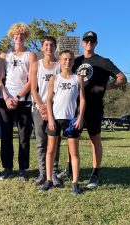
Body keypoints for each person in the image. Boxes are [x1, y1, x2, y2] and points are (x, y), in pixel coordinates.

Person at [59, 31, 127, 190]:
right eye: (86, 40)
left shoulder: (103, 61)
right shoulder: (75, 61)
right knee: (72, 139)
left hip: (94, 107)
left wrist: (104, 87)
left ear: (95, 43)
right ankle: (69, 170)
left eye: (92, 41)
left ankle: (95, 173)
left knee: (94, 139)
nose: (89, 43)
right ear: (82, 43)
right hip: (75, 107)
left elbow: (121, 78)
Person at [40, 50, 85, 195]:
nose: (67, 62)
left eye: (70, 59)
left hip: (71, 119)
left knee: (74, 152)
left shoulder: (78, 78)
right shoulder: (55, 78)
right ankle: (49, 180)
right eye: (64, 59)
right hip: (56, 118)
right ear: (60, 61)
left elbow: (82, 100)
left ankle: (75, 183)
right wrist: (51, 118)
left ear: (73, 62)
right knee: (50, 150)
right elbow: (48, 100)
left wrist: (80, 117)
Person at [0, 23, 37, 181]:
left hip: (23, 101)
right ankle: (7, 169)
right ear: (12, 36)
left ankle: (22, 169)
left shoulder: (31, 55)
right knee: (6, 136)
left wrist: (18, 97)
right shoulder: (4, 55)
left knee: (24, 136)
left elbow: (31, 81)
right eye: (16, 35)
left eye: (22, 35)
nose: (19, 37)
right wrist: (7, 97)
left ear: (25, 37)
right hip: (6, 101)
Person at [30, 36, 62, 187]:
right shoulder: (36, 64)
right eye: (46, 45)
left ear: (55, 47)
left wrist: (52, 108)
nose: (49, 47)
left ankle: (54, 173)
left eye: (51, 45)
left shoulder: (60, 65)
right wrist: (41, 107)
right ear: (42, 48)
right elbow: (33, 89)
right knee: (41, 142)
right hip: (39, 108)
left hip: (56, 109)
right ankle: (43, 173)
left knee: (54, 142)